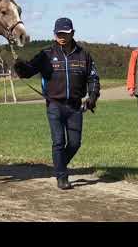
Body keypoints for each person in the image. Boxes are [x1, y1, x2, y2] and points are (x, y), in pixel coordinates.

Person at [13, 17, 100, 190]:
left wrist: (92, 97)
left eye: (65, 33)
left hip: (76, 106)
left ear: (72, 33)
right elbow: (29, 70)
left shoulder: (84, 55)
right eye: (58, 33)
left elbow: (93, 78)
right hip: (54, 105)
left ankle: (58, 166)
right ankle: (62, 176)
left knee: (75, 143)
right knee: (58, 142)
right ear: (54, 34)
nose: (62, 36)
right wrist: (20, 66)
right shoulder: (46, 54)